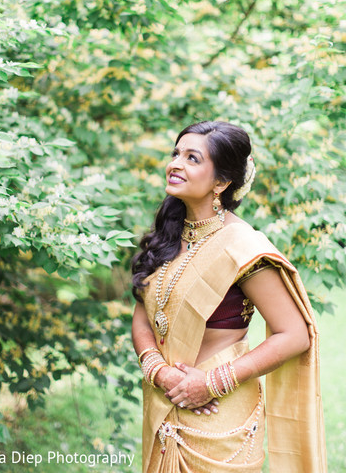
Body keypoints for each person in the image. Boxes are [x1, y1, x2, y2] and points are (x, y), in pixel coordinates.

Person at [131, 120, 327, 473]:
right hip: (165, 404)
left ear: (221, 182)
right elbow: (144, 312)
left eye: (193, 158)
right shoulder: (169, 236)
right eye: (176, 153)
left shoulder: (242, 247)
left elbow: (295, 335)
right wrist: (159, 371)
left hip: (220, 420)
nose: (176, 164)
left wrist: (210, 383)